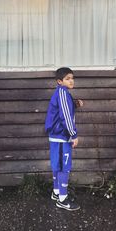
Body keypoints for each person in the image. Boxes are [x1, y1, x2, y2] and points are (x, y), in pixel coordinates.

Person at [45, 67, 84, 211]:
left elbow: (63, 109)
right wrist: (73, 135)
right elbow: (65, 117)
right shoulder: (62, 92)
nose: (71, 81)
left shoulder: (62, 93)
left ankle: (56, 193)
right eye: (67, 78)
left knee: (58, 165)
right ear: (59, 81)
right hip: (62, 136)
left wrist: (74, 104)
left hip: (57, 136)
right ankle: (62, 199)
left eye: (72, 78)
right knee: (64, 167)